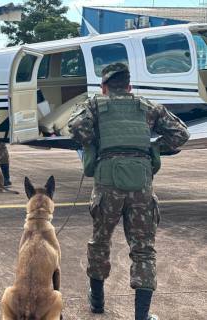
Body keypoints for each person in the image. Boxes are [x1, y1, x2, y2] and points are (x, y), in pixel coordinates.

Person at [68, 63, 189, 320]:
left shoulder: (94, 105)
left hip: (107, 185)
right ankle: (141, 316)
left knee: (100, 242)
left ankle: (97, 301)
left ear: (104, 87)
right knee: (143, 249)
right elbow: (181, 134)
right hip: (140, 185)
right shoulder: (148, 107)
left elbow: (76, 127)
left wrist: (96, 142)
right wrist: (155, 148)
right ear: (129, 86)